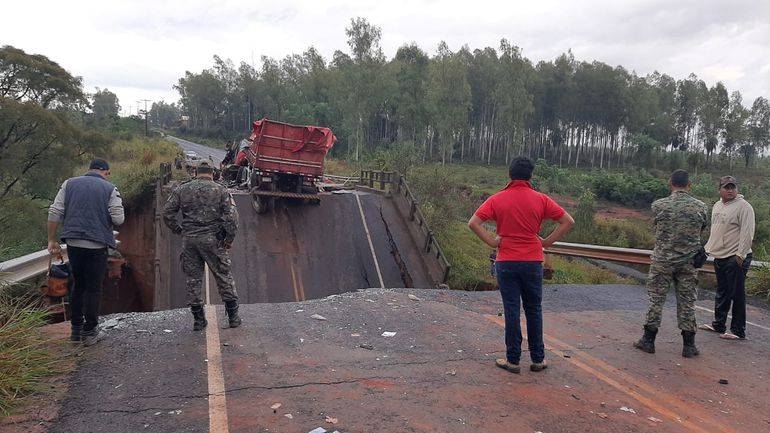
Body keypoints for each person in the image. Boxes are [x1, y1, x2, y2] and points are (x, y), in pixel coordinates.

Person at [468, 156, 574, 374]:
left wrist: (493, 241)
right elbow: (568, 221)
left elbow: (474, 223)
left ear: (510, 174)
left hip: (506, 261)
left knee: (512, 310)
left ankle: (513, 360)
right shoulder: (541, 199)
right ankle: (538, 359)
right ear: (531, 176)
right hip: (533, 261)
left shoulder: (497, 199)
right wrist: (545, 242)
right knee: (534, 309)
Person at [47, 158, 124, 346]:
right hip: (96, 245)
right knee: (93, 288)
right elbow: (119, 219)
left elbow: (55, 211)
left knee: (78, 285)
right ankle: (90, 332)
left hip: (73, 242)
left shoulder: (69, 183)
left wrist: (51, 239)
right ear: (105, 172)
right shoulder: (110, 188)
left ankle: (76, 330)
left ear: (89, 170)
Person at [634, 169, 708, 358]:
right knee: (687, 302)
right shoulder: (701, 207)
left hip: (663, 261)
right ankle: (689, 345)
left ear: (670, 184)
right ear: (689, 185)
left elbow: (656, 228)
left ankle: (648, 340)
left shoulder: (658, 205)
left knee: (656, 300)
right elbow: (701, 230)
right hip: (688, 262)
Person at [162, 161, 242, 330]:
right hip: (213, 240)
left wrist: (179, 229)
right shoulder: (220, 190)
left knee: (193, 280)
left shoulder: (182, 189)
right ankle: (233, 318)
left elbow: (167, 213)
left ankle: (199, 320)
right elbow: (231, 218)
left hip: (190, 240)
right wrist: (228, 240)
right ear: (212, 173)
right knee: (223, 276)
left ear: (196, 173)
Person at [699, 175, 755, 340]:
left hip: (736, 256)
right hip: (720, 256)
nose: (730, 190)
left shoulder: (744, 207)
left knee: (737, 293)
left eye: (733, 187)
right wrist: (707, 249)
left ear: (737, 189)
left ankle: (738, 331)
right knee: (722, 291)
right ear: (720, 190)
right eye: (726, 187)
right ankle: (718, 324)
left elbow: (747, 232)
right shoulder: (717, 206)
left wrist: (740, 254)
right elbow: (716, 232)